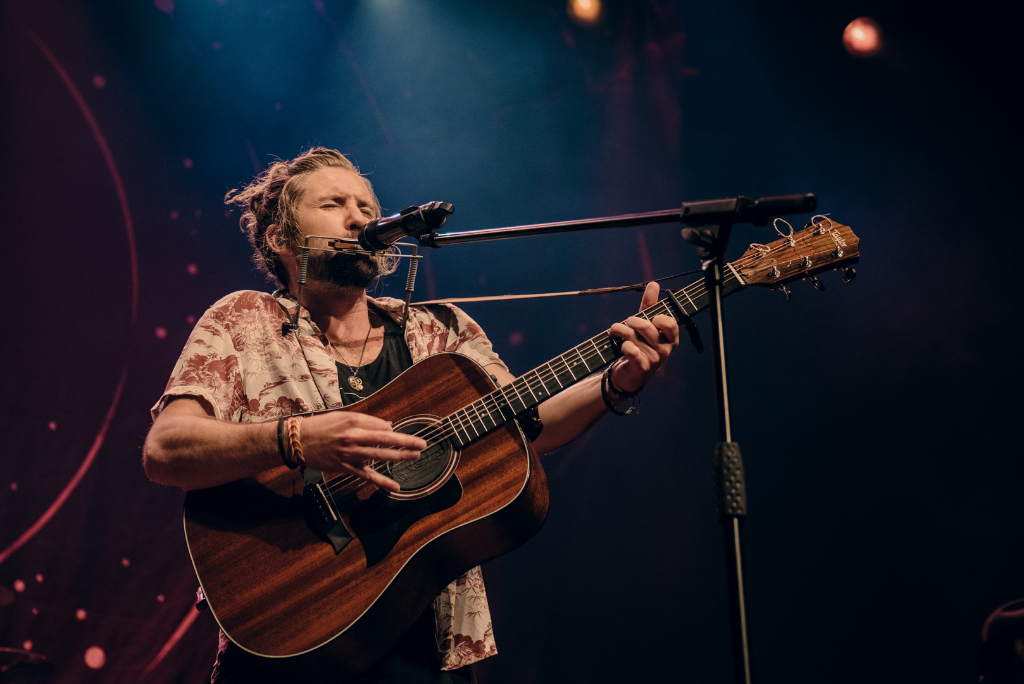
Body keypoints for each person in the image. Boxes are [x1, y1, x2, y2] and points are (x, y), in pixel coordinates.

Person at [142, 147, 679, 683]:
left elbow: (525, 426)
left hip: (429, 648)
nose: (359, 218)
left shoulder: (440, 330)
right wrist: (297, 438)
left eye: (366, 207)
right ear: (282, 238)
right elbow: (166, 449)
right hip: (288, 633)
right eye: (333, 204)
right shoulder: (243, 318)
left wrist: (615, 383)